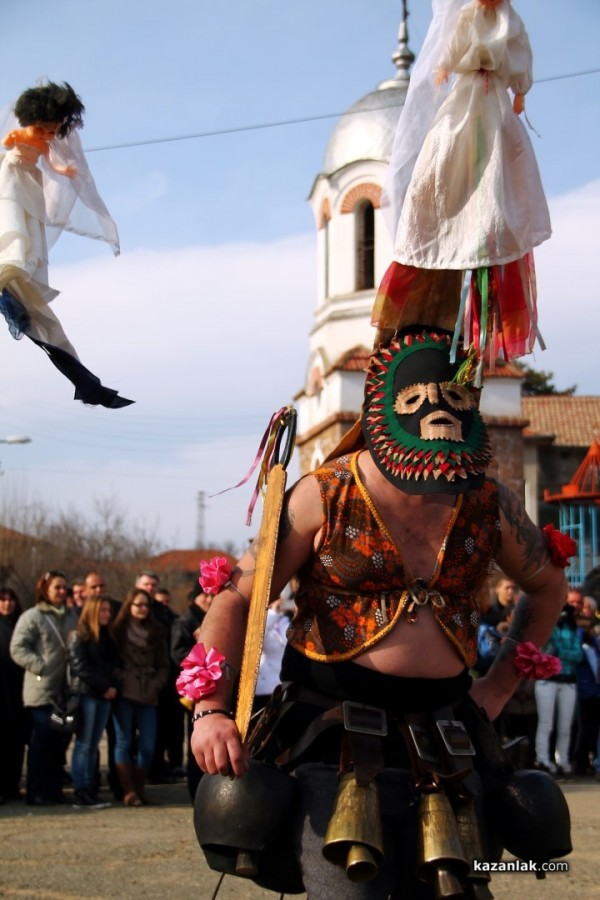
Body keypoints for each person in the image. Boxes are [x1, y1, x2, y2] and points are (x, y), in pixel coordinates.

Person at [189, 328, 569, 898]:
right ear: (386, 417)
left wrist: (498, 684)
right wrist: (210, 709)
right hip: (332, 734)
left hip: (450, 737)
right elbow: (239, 595)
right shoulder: (325, 493)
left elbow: (547, 588)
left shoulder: (489, 502)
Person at [378, 0, 550, 362]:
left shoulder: (508, 19)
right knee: (444, 163)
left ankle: (481, 253)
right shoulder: (469, 14)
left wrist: (520, 87)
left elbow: (520, 49)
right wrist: (444, 66)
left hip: (492, 103)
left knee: (495, 177)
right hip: (467, 99)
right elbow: (454, 41)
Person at [0, 81, 132, 408]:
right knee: (12, 218)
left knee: (27, 226)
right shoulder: (21, 137)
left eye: (53, 130)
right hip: (13, 178)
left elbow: (53, 164)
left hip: (29, 183)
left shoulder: (44, 144)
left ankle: (16, 265)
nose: (49, 135)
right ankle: (12, 261)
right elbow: (7, 143)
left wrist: (64, 168)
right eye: (45, 128)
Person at [9, 570, 78, 805]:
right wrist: (40, 666)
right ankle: (36, 792)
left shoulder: (71, 617)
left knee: (59, 742)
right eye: (57, 587)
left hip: (63, 691)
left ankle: (54, 790)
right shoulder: (33, 616)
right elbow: (17, 648)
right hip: (40, 693)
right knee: (42, 741)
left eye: (64, 588)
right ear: (45, 589)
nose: (61, 592)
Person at [111, 588, 169, 806]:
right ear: (129, 606)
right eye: (138, 605)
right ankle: (128, 791)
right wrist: (121, 678)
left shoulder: (156, 631)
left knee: (147, 745)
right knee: (123, 742)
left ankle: (140, 787)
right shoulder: (117, 630)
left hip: (148, 693)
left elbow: (164, 664)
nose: (143, 609)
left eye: (146, 605)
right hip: (125, 693)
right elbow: (110, 661)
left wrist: (157, 684)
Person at [67, 594, 120, 808]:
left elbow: (112, 664)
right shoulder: (79, 636)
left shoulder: (107, 636)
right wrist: (105, 686)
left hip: (103, 697)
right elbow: (80, 667)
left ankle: (90, 789)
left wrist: (111, 686)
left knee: (93, 745)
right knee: (84, 744)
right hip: (87, 695)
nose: (107, 614)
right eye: (103, 610)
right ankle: (81, 790)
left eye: (108, 610)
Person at [534, 589, 584, 777]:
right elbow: (548, 650)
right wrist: (562, 654)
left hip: (568, 680)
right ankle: (543, 759)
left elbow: (577, 654)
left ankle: (563, 760)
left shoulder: (572, 627)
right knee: (546, 723)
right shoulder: (549, 623)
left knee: (565, 725)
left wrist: (561, 655)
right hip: (547, 680)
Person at [171, 585, 214, 801]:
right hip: (193, 687)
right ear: (194, 597)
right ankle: (195, 791)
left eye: (211, 594)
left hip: (212, 684)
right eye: (203, 595)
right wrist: (198, 652)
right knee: (196, 740)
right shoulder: (185, 621)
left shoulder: (213, 617)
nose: (208, 599)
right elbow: (177, 653)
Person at [0, 587, 26, 802]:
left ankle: (12, 784)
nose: (7, 604)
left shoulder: (20, 623)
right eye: (2, 600)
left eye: (10, 600)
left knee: (17, 742)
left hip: (20, 690)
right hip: (2, 690)